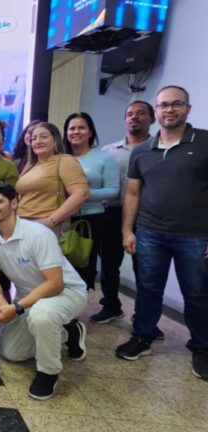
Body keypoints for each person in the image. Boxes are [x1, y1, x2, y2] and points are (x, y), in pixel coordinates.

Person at [116, 85, 208, 381]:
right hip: (150, 232)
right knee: (148, 289)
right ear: (156, 111)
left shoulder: (204, 142)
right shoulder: (142, 150)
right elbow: (132, 193)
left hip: (195, 235)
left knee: (197, 292)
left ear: (188, 108)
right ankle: (142, 337)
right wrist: (127, 230)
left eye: (176, 104)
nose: (170, 109)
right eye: (164, 105)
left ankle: (202, 347)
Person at [0, 182, 88, 400]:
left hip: (66, 292)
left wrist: (16, 307)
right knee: (12, 353)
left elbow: (55, 283)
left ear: (14, 203)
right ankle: (68, 331)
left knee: (42, 316)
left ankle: (48, 372)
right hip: (28, 296)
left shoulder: (38, 234)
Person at [92, 101, 153, 324]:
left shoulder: (157, 150)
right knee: (109, 264)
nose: (134, 117)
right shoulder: (108, 151)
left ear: (152, 118)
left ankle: (144, 316)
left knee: (145, 268)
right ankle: (111, 306)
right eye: (130, 114)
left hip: (145, 216)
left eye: (141, 113)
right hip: (111, 213)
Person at [63, 112, 119, 290]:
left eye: (81, 127)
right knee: (59, 268)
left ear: (90, 132)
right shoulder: (60, 157)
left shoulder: (104, 157)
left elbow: (113, 190)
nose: (76, 132)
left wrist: (82, 194)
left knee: (83, 268)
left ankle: (79, 304)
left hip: (90, 220)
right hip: (60, 218)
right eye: (72, 128)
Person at [15, 122, 89, 235]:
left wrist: (51, 221)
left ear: (55, 139)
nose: (38, 141)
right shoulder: (30, 166)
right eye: (34, 138)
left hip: (48, 226)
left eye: (44, 137)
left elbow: (81, 194)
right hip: (22, 224)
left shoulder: (64, 161)